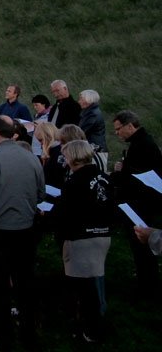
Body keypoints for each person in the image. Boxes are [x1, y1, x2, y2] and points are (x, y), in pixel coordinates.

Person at [0, 116, 45, 351]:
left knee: (0, 285)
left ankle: (4, 340)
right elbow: (41, 194)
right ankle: (29, 336)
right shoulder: (31, 157)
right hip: (26, 230)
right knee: (25, 282)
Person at [45, 140, 113, 343]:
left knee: (84, 289)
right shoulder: (104, 178)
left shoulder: (75, 182)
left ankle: (91, 330)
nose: (64, 160)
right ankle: (90, 325)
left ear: (74, 157)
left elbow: (64, 212)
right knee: (91, 284)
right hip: (102, 235)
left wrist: (47, 216)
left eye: (66, 156)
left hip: (81, 238)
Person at [111, 110, 162, 292]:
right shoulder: (141, 142)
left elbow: (138, 176)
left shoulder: (143, 145)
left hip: (142, 205)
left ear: (130, 126)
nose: (116, 133)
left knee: (142, 244)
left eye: (119, 129)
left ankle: (147, 284)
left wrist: (121, 171)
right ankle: (145, 280)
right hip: (142, 202)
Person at [78, 89, 108, 172]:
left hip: (95, 150)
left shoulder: (92, 114)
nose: (79, 101)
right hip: (94, 149)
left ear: (88, 99)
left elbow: (81, 131)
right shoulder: (90, 112)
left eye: (81, 99)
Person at [35, 121, 63, 189]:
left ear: (48, 137)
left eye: (41, 140)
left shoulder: (58, 151)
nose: (41, 144)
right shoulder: (55, 149)